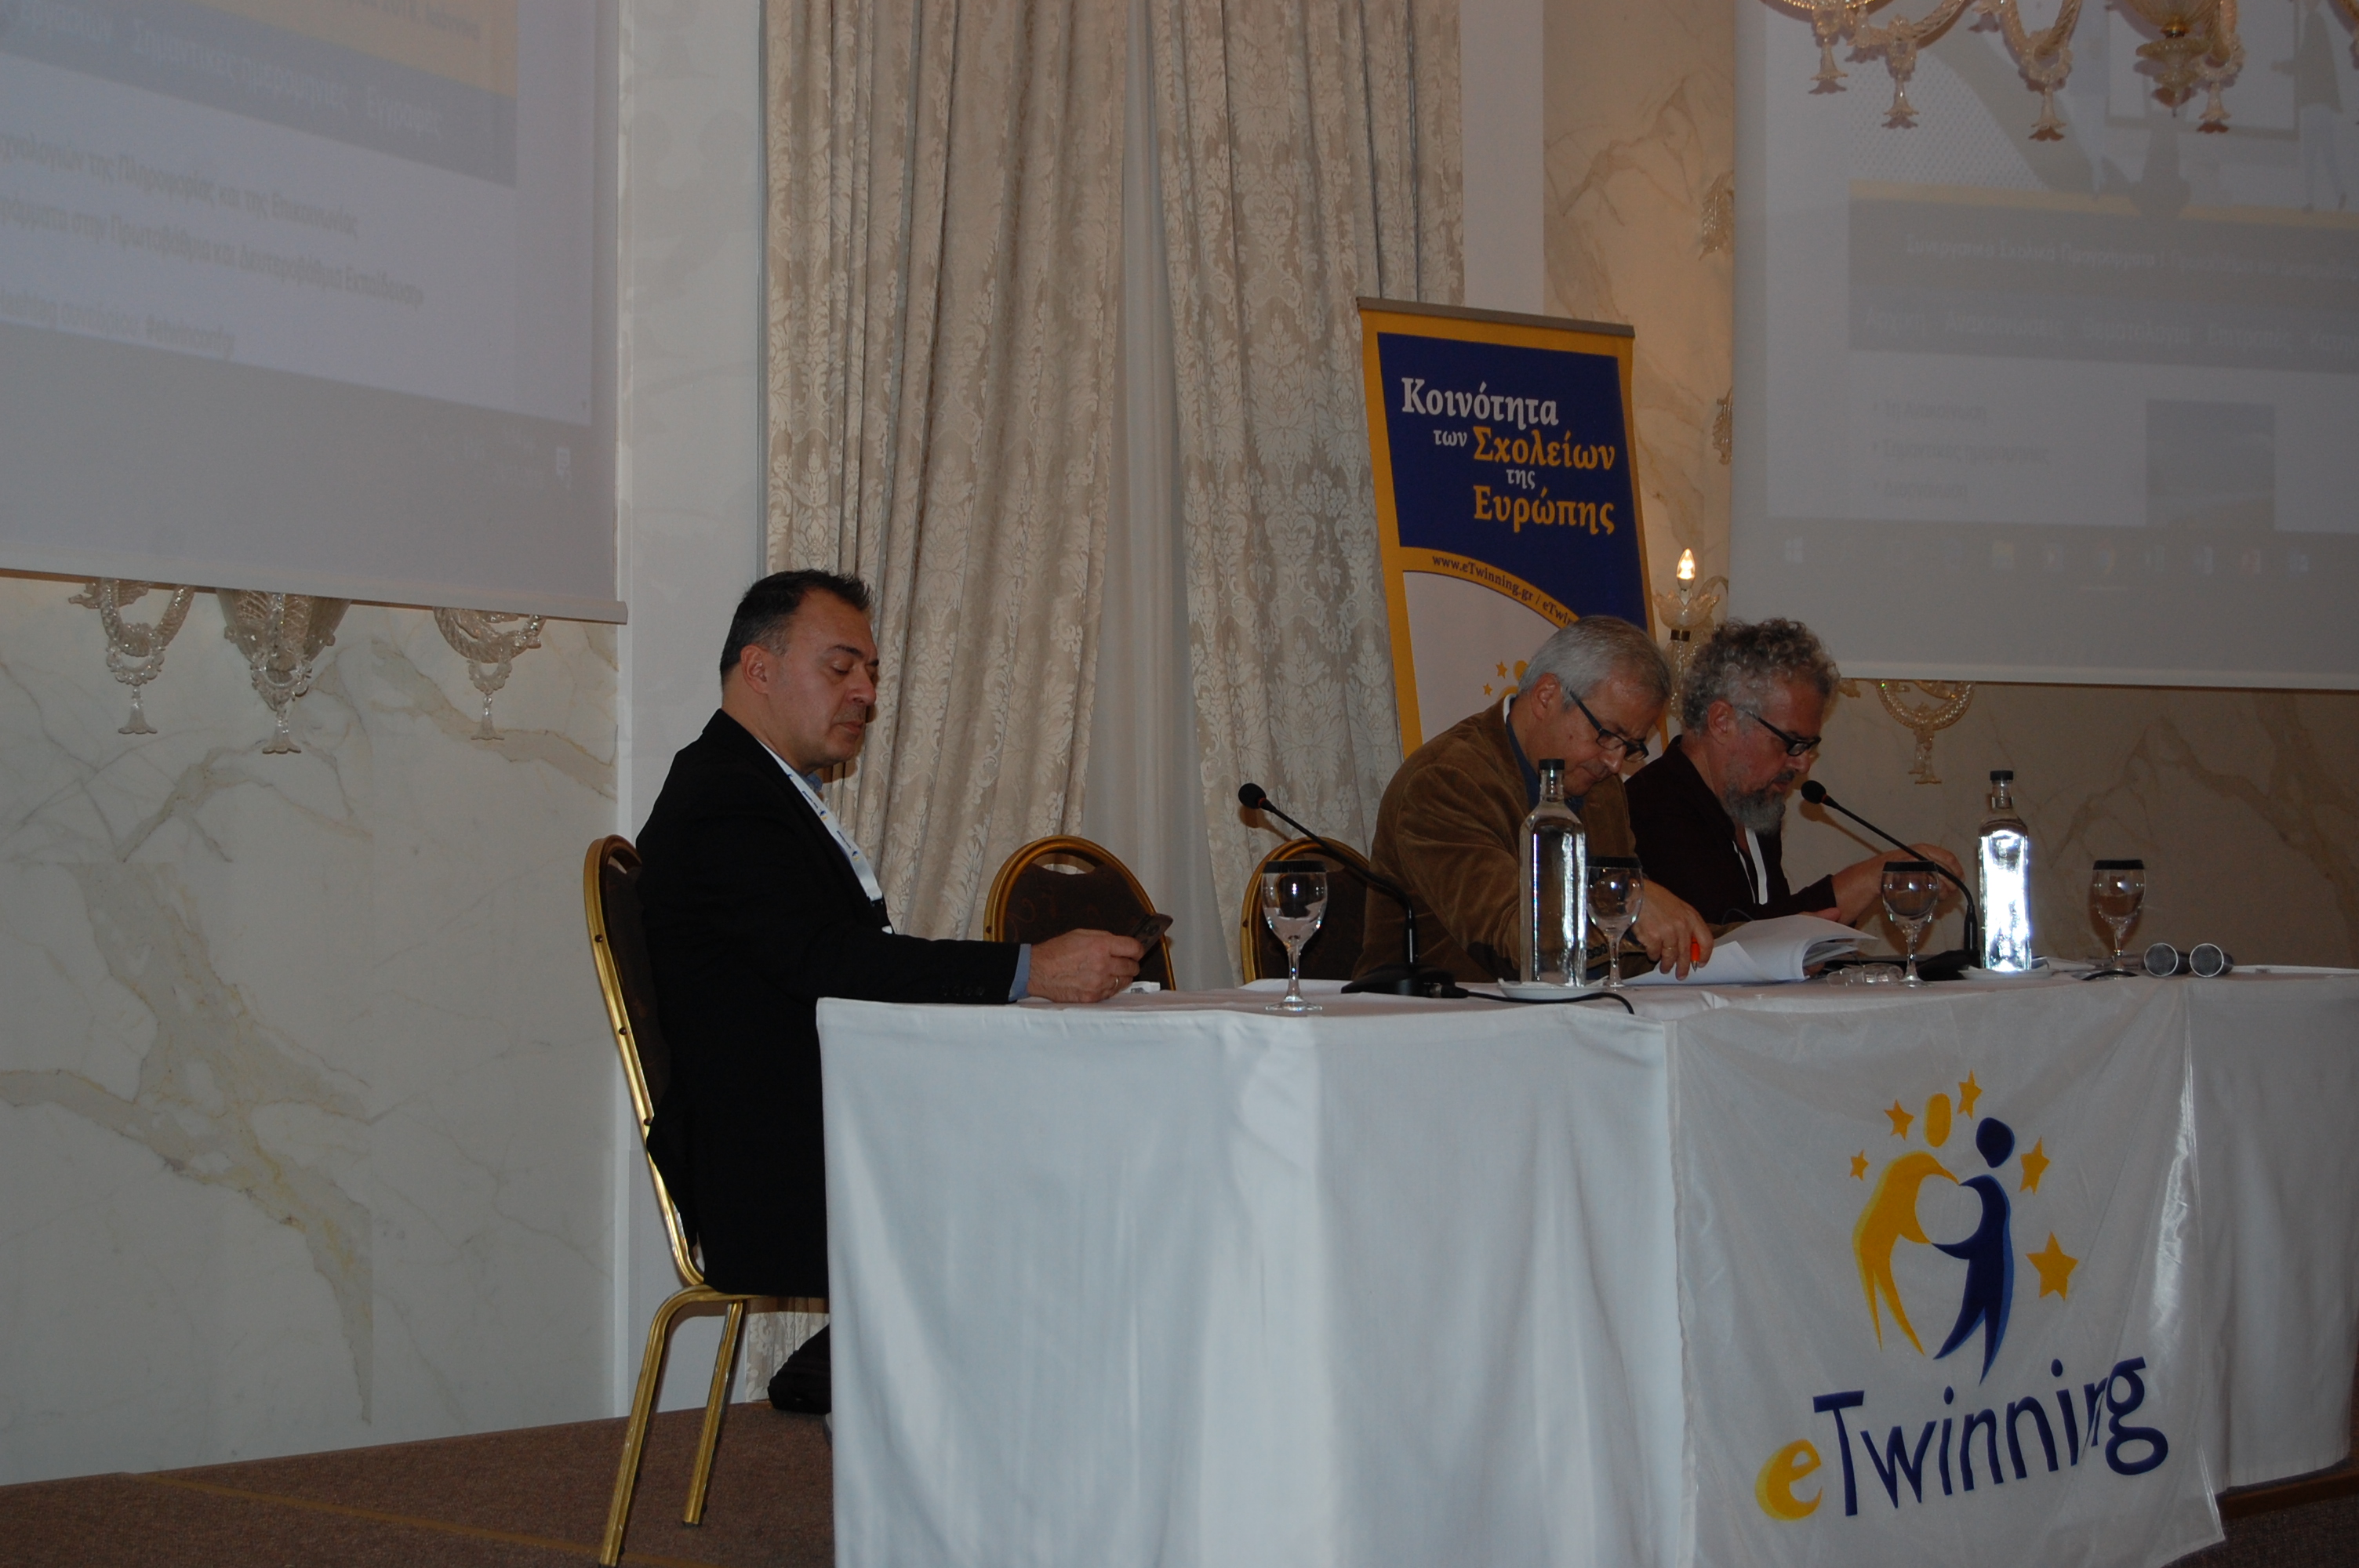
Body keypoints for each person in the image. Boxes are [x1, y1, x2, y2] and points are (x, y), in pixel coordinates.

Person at [634, 571, 1141, 1404]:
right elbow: (832, 964)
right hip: (774, 1167)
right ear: (759, 668)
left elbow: (836, 965)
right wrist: (1029, 969)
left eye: (870, 672)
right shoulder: (726, 797)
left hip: (826, 1128)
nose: (867, 693)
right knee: (1065, 1171)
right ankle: (911, 1396)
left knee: (1062, 1141)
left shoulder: (753, 786)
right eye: (841, 668)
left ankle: (873, 1369)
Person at [1357, 615, 1715, 983]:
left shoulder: (1601, 790)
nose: (1614, 763)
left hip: (1574, 1009)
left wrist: (1713, 943)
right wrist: (1626, 900)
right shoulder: (1445, 781)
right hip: (1438, 1012)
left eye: (1630, 746)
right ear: (1546, 697)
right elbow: (1519, 941)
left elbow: (1621, 953)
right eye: (1609, 735)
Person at [1625, 619, 1961, 927]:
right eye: (1791, 743)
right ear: (1722, 722)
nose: (1803, 764)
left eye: (1809, 746)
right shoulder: (1651, 806)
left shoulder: (1754, 804)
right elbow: (1720, 937)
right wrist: (1868, 877)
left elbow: (1773, 930)